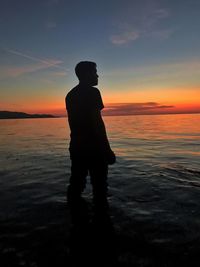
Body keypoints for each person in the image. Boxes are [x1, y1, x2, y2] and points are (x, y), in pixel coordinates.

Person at [65, 61, 116, 214]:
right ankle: (102, 224)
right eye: (95, 72)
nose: (97, 75)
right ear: (86, 74)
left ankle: (74, 220)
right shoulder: (93, 92)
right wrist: (107, 149)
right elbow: (97, 123)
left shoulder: (71, 95)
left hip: (77, 146)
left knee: (76, 184)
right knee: (99, 187)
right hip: (94, 148)